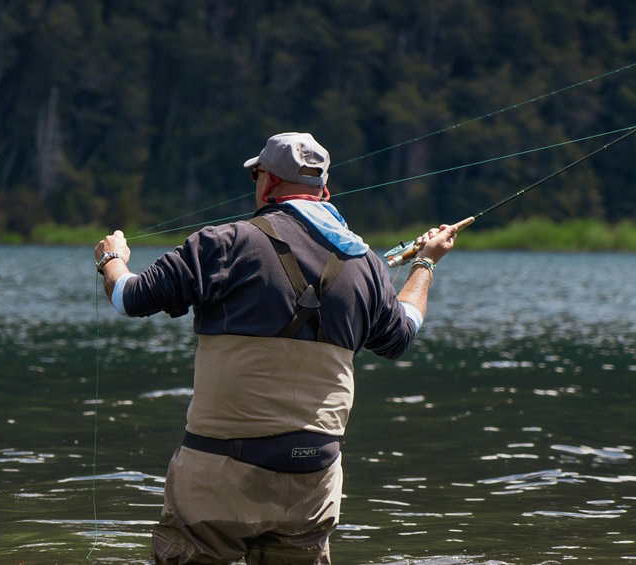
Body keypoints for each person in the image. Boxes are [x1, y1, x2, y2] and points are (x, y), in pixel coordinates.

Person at [94, 132, 457, 564]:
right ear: (324, 190)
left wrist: (111, 258)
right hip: (315, 479)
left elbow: (130, 297)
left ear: (266, 182)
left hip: (221, 473)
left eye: (256, 176)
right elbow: (401, 335)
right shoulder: (368, 266)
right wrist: (425, 263)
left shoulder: (223, 242)